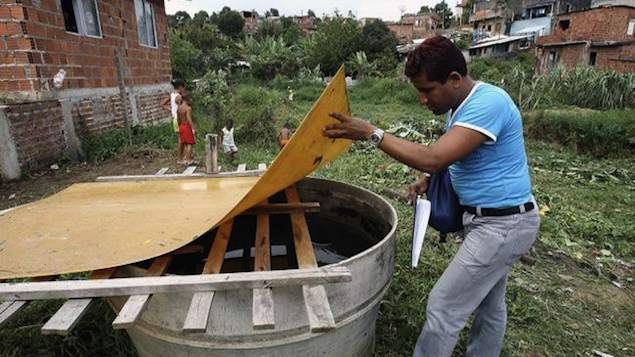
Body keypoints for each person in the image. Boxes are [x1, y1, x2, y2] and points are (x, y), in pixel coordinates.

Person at [323, 36, 540, 357]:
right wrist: (427, 180)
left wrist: (372, 133)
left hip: (503, 225)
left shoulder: (488, 104)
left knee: (443, 305)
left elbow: (435, 157)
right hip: (493, 221)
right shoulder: (462, 106)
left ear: (454, 79)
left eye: (427, 90)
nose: (423, 100)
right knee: (490, 305)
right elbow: (453, 160)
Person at [160, 79, 186, 160]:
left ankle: (181, 157)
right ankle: (179, 158)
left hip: (175, 119)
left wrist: (171, 110)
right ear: (180, 87)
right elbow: (180, 109)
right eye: (184, 87)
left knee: (181, 138)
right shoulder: (179, 96)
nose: (184, 89)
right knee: (181, 139)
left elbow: (161, 104)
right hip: (179, 119)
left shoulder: (172, 95)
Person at [176, 93, 196, 165]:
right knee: (189, 143)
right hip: (186, 126)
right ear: (186, 99)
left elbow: (178, 119)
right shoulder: (188, 108)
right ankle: (188, 159)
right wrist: (193, 128)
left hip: (181, 126)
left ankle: (179, 159)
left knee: (182, 142)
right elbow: (189, 119)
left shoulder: (179, 108)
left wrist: (179, 126)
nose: (191, 100)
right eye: (190, 99)